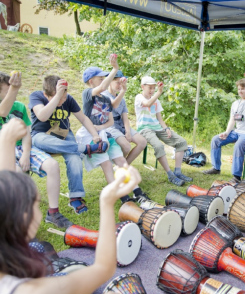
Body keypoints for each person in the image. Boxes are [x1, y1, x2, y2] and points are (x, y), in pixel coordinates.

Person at [0, 161, 141, 294]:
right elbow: (103, 268)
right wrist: (107, 201)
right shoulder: (34, 292)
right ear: (24, 216)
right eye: (37, 204)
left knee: (38, 248)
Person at [0, 71, 73, 228]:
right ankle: (17, 219)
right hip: (3, 150)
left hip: (21, 147)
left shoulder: (19, 106)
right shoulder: (3, 108)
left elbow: (27, 133)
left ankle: (53, 213)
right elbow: (2, 112)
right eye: (8, 89)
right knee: (18, 174)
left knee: (52, 166)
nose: (11, 92)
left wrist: (26, 153)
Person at [29, 76, 108, 215]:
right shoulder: (36, 96)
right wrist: (57, 96)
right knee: (39, 140)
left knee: (75, 158)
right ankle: (85, 149)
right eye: (60, 98)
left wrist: (95, 135)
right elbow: (42, 116)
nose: (62, 101)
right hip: (42, 135)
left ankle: (75, 197)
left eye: (64, 97)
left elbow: (83, 118)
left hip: (64, 134)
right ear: (46, 95)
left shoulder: (69, 99)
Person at [77, 56, 145, 202]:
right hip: (89, 136)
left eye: (103, 78)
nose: (103, 81)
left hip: (103, 134)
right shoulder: (87, 94)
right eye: (100, 78)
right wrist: (115, 69)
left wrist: (99, 127)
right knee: (107, 164)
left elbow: (110, 121)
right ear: (91, 82)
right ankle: (123, 198)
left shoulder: (106, 100)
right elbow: (101, 88)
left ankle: (138, 192)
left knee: (121, 160)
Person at [203, 73, 245, 182]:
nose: (240, 91)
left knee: (239, 145)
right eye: (239, 89)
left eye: (243, 89)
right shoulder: (235, 103)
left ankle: (236, 176)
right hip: (237, 132)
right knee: (216, 140)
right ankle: (216, 168)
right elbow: (233, 119)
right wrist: (227, 132)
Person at [134, 76, 192, 186]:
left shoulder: (156, 100)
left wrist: (166, 129)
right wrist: (159, 93)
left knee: (182, 142)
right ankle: (170, 175)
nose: (152, 90)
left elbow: (159, 119)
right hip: (145, 129)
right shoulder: (139, 97)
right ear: (142, 87)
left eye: (153, 88)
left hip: (158, 128)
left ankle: (178, 172)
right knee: (159, 146)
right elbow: (147, 104)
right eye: (149, 88)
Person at [102, 70, 147, 164]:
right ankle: (120, 166)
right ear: (110, 82)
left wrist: (127, 132)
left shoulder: (121, 98)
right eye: (117, 82)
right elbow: (113, 104)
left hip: (121, 125)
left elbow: (125, 117)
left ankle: (124, 166)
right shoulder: (104, 95)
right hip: (109, 125)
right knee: (126, 146)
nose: (120, 85)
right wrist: (123, 90)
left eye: (121, 83)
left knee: (142, 142)